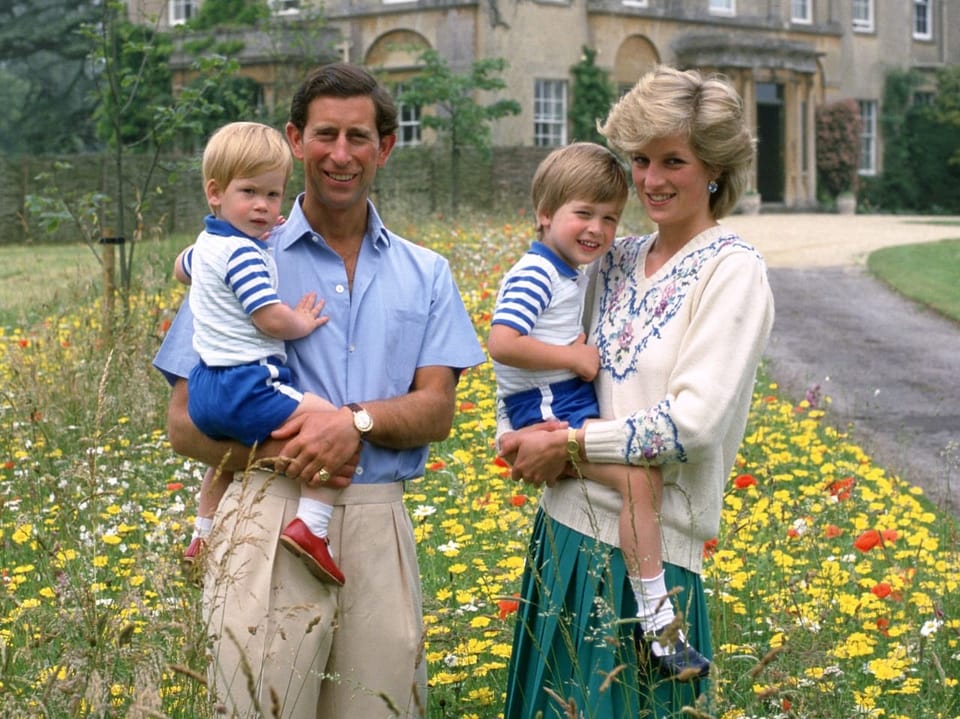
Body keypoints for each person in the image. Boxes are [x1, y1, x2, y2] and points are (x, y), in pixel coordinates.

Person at [154, 63, 486, 719]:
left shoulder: (427, 271)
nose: (341, 154)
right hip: (264, 515)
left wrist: (353, 423)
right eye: (325, 134)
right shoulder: (239, 251)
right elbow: (182, 422)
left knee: (381, 709)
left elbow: (437, 409)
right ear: (295, 139)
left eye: (358, 136)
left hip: (377, 523)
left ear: (386, 146)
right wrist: (290, 453)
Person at [498, 65, 775, 718]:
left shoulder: (732, 272)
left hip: (655, 561)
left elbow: (692, 424)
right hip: (563, 535)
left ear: (714, 167)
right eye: (641, 159)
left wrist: (565, 442)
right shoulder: (613, 257)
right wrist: (519, 429)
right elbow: (543, 349)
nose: (650, 179)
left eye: (672, 159)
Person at [488, 141, 707, 678]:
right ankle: (658, 624)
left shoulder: (569, 271)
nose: (597, 229)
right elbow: (501, 342)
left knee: (640, 484)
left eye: (609, 218)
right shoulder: (536, 273)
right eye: (582, 214)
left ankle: (654, 618)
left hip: (561, 406)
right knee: (639, 484)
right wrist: (575, 358)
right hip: (549, 411)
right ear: (544, 214)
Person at [174, 120, 346, 586]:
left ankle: (203, 534)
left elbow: (180, 268)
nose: (263, 207)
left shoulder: (208, 244)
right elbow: (267, 317)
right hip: (249, 381)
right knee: (333, 426)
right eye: (249, 193)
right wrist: (302, 321)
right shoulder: (245, 256)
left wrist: (256, 231)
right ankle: (311, 528)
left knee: (223, 463)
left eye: (273, 196)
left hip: (206, 389)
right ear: (215, 192)